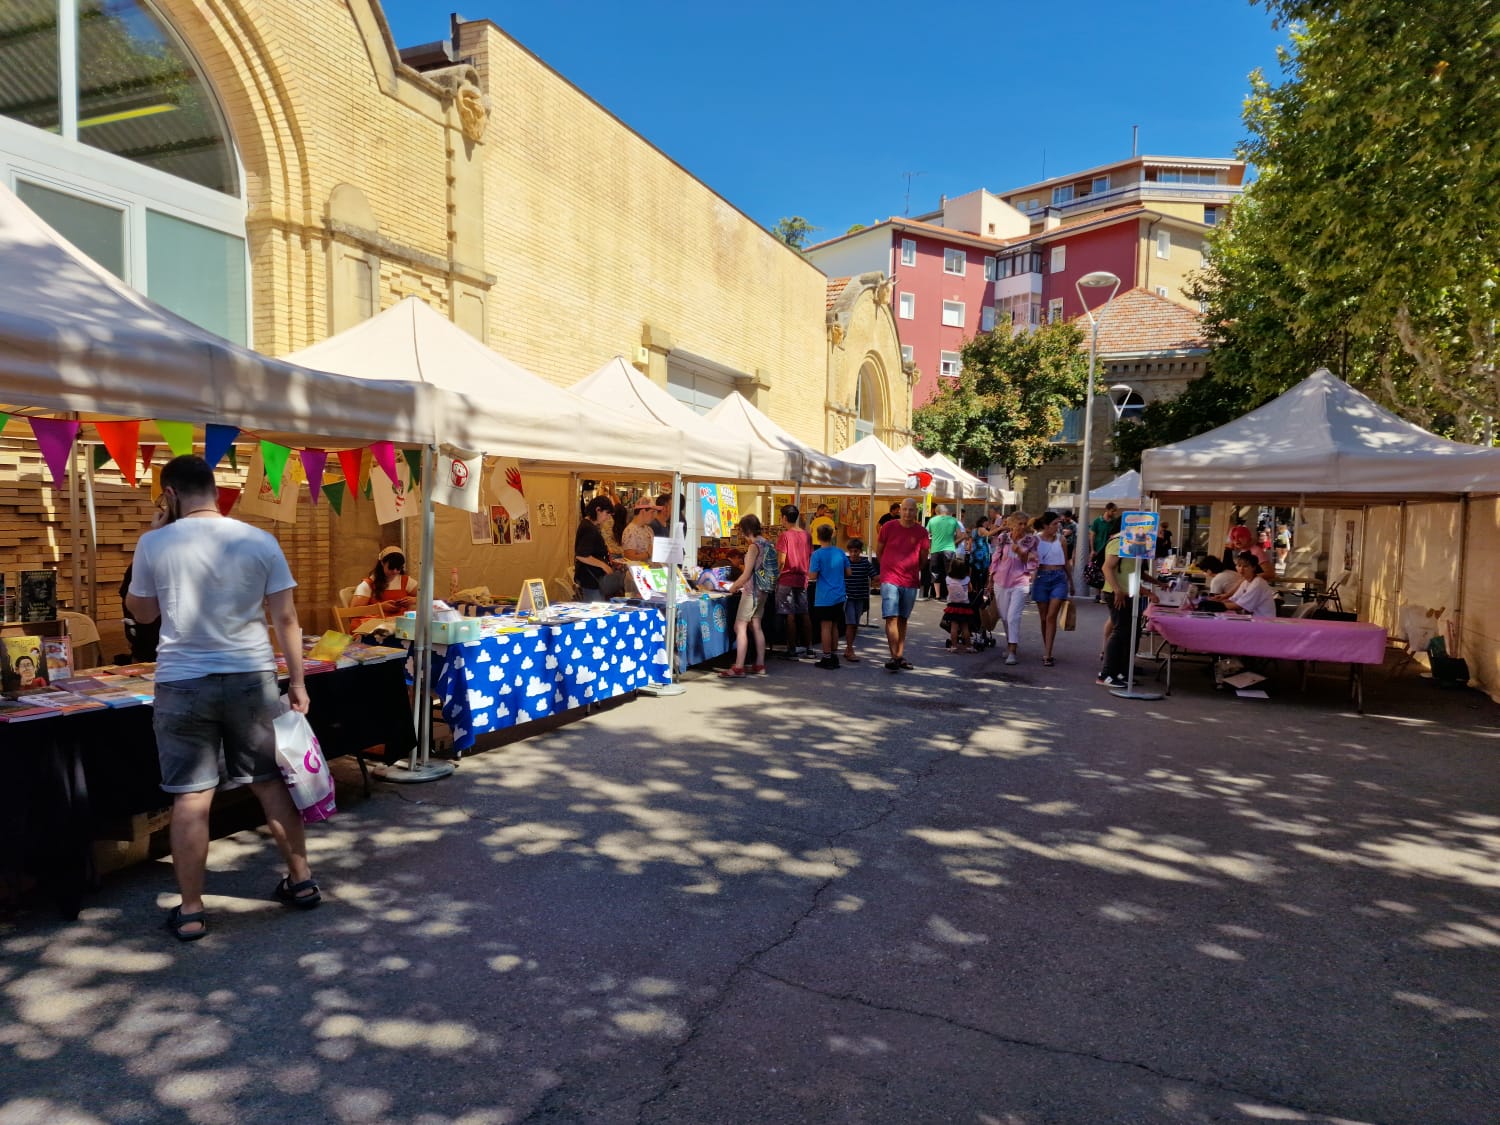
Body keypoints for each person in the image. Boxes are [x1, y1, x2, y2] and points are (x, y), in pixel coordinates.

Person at [125, 454, 319, 942]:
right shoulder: (259, 540)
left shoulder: (154, 542)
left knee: (192, 797)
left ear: (169, 495)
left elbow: (142, 615)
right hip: (252, 676)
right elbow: (287, 620)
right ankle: (302, 881)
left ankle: (191, 910)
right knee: (271, 783)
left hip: (183, 681)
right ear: (214, 490)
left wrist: (153, 536)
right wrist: (297, 682)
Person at [875, 497, 930, 671]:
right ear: (900, 510)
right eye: (905, 509)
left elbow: (923, 557)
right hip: (890, 578)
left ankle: (898, 655)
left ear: (916, 512)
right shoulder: (888, 527)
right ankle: (896, 657)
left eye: (911, 510)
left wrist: (913, 569)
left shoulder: (921, 532)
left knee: (903, 619)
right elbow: (879, 550)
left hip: (910, 580)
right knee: (891, 616)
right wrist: (886, 568)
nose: (907, 513)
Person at [718, 513, 772, 678]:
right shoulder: (768, 544)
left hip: (751, 591)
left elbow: (746, 573)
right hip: (764, 589)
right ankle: (760, 664)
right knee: (756, 625)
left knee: (739, 626)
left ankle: (739, 667)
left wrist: (733, 587)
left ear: (745, 530)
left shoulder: (753, 547)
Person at [989, 511, 1036, 666]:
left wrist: (1020, 552)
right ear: (1012, 524)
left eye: (1024, 524)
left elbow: (1032, 562)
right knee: (1004, 616)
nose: (1022, 527)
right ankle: (1010, 643)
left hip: (1020, 581)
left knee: (1013, 617)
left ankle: (1012, 650)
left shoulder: (1030, 540)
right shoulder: (1003, 538)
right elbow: (996, 557)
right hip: (1001, 580)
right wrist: (990, 578)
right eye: (1019, 524)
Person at [1031, 511, 1072, 667]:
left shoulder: (1061, 540)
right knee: (1043, 617)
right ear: (1046, 526)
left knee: (1051, 616)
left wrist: (1071, 582)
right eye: (1055, 524)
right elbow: (1027, 556)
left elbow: (1066, 561)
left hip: (1058, 578)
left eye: (1058, 523)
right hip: (1041, 578)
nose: (1058, 526)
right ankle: (1047, 646)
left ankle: (1048, 653)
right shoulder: (1036, 539)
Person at [808, 523, 849, 669]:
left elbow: (812, 575)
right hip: (839, 594)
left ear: (818, 537)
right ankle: (834, 654)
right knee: (835, 626)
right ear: (832, 535)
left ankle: (826, 657)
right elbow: (848, 572)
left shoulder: (817, 554)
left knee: (825, 627)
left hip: (824, 595)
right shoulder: (840, 552)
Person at [775, 504, 814, 659]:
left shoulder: (784, 536)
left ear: (784, 517)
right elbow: (810, 557)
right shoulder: (807, 535)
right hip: (802, 577)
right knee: (804, 613)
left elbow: (781, 561)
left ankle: (791, 650)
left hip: (786, 578)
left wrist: (776, 576)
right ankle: (809, 648)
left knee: (790, 615)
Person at [574, 495, 622, 602]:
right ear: (598, 510)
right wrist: (603, 565)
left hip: (591, 579)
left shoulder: (589, 525)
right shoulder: (589, 528)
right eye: (607, 513)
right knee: (596, 612)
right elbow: (582, 555)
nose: (608, 517)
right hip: (591, 581)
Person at [1203, 551, 1277, 617]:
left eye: (1245, 566)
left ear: (1254, 568)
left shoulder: (1257, 584)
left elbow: (1239, 606)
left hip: (1263, 621)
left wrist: (1216, 605)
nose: (1241, 569)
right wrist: (1217, 600)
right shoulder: (1246, 582)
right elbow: (1234, 600)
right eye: (1239, 566)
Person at [350, 545, 418, 611]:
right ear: (382, 563)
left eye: (398, 568)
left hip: (398, 620)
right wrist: (380, 607)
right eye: (391, 567)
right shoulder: (369, 584)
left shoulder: (405, 581)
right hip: (375, 621)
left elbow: (427, 596)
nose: (395, 571)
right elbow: (353, 611)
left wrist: (415, 600)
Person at [843, 537, 875, 663]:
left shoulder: (865, 563)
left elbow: (874, 576)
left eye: (856, 551)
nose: (854, 554)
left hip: (860, 597)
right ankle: (850, 649)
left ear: (860, 551)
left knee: (855, 624)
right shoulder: (845, 563)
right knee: (850, 623)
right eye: (851, 551)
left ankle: (848, 648)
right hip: (848, 597)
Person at [926, 504, 961, 600]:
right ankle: (950, 595)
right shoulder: (953, 520)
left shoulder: (932, 521)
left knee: (935, 572)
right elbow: (960, 535)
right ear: (946, 511)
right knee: (949, 573)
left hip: (935, 549)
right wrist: (953, 542)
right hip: (949, 549)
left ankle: (937, 595)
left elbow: (926, 534)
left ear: (936, 512)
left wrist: (929, 545)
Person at [944, 557, 976, 653]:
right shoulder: (966, 579)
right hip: (964, 605)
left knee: (954, 627)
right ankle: (969, 646)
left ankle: (954, 646)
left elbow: (948, 590)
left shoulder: (948, 579)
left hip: (952, 605)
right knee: (965, 627)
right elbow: (970, 589)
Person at [621, 496, 656, 562]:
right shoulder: (630, 531)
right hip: (638, 571)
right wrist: (648, 554)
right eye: (652, 512)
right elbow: (630, 558)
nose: (654, 516)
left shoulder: (649, 529)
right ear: (642, 512)